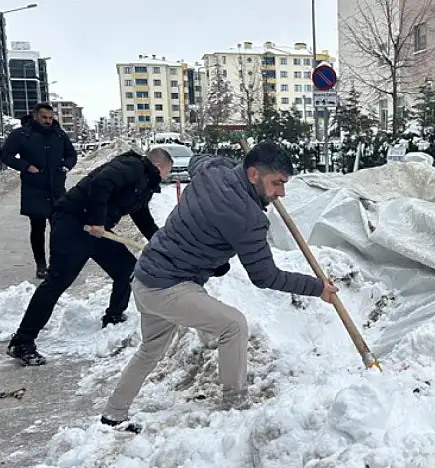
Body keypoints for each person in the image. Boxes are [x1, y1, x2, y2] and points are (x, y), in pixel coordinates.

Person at [100, 141, 339, 432]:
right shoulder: (248, 218)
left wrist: (227, 165)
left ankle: (113, 413)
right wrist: (318, 288)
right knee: (233, 326)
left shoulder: (213, 171)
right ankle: (235, 404)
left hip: (146, 276)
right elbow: (265, 276)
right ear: (253, 175)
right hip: (170, 286)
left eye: (284, 184)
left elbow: (197, 160)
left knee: (150, 350)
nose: (281, 193)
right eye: (277, 183)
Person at [6, 147, 174, 366]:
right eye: (168, 172)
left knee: (128, 270)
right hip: (73, 223)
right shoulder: (132, 167)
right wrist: (97, 220)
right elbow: (100, 184)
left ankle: (113, 316)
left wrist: (159, 243)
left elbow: (142, 216)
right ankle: (22, 341)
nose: (167, 177)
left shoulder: (144, 183)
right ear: (159, 166)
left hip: (96, 230)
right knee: (57, 281)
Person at [1, 103, 77, 279]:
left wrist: (66, 166)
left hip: (57, 188)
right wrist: (26, 166)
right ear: (35, 116)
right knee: (38, 228)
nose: (48, 121)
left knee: (59, 228)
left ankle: (58, 263)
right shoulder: (22, 134)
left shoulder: (59, 134)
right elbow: (6, 155)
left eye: (50, 118)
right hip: (34, 188)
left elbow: (71, 154)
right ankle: (41, 265)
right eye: (44, 117)